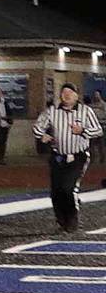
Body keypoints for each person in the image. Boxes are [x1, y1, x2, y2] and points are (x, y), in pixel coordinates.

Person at [33, 82, 102, 232]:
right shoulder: (52, 111)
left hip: (78, 155)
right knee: (56, 191)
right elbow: (37, 127)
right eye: (64, 92)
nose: (67, 95)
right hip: (58, 156)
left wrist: (83, 130)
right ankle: (61, 220)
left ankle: (72, 219)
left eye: (70, 92)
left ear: (77, 96)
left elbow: (98, 130)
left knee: (68, 188)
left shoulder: (85, 111)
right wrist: (42, 135)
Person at [90, 91, 106, 163]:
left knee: (101, 144)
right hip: (92, 127)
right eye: (95, 95)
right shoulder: (91, 105)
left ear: (100, 95)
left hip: (101, 126)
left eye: (97, 95)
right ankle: (92, 159)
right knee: (91, 144)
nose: (96, 96)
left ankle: (102, 159)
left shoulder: (104, 105)